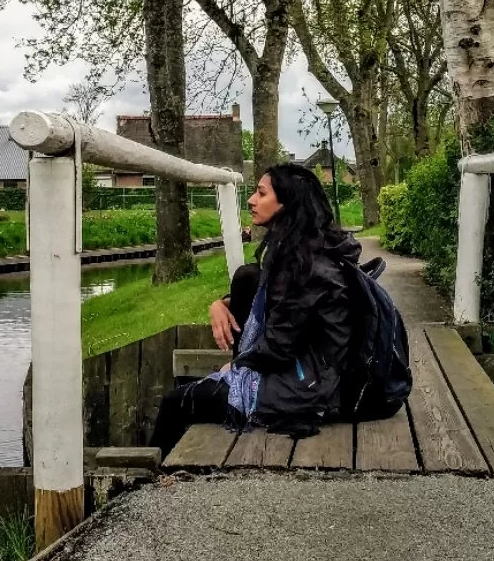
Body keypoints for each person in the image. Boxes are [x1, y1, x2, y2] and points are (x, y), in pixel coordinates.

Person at [150, 163, 361, 457]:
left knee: (176, 403)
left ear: (288, 203)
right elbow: (274, 296)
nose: (251, 200)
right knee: (247, 276)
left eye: (261, 193)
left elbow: (278, 346)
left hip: (315, 386)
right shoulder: (306, 250)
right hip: (311, 369)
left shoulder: (305, 267)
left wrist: (237, 366)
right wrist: (219, 304)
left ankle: (150, 482)